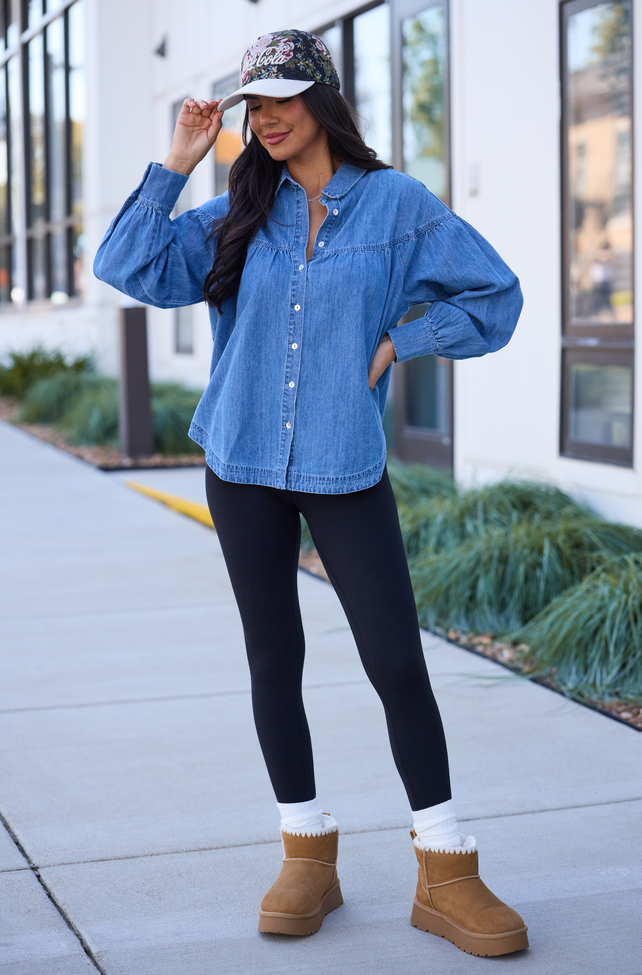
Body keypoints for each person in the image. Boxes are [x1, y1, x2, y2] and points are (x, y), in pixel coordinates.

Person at [94, 30, 527, 957]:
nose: (268, 116)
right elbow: (127, 266)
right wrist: (177, 159)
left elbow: (497, 297)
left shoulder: (400, 205)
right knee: (273, 658)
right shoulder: (233, 211)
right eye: (254, 104)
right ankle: (307, 852)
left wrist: (400, 343)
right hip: (240, 460)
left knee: (396, 663)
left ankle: (447, 866)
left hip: (344, 463)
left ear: (323, 100)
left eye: (284, 97)